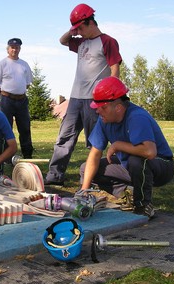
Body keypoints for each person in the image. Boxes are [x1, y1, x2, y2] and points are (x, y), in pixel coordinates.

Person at [45, 3, 122, 186]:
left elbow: (115, 67)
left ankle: (90, 177)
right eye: (76, 29)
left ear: (90, 22)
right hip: (75, 99)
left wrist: (110, 95)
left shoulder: (107, 41)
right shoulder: (81, 42)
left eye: (80, 27)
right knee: (64, 138)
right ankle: (55, 175)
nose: (78, 31)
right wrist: (73, 29)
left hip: (95, 101)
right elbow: (62, 41)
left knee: (94, 142)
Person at [79, 77, 174, 219]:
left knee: (136, 161)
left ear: (118, 107)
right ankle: (127, 193)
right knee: (86, 168)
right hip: (129, 165)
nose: (98, 111)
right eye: (97, 107)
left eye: (103, 107)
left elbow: (150, 152)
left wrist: (118, 145)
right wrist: (83, 191)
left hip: (161, 166)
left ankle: (143, 206)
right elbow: (95, 154)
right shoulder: (104, 119)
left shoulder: (137, 117)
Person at [0, 38, 34, 159]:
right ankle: (6, 157)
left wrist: (18, 92)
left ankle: (27, 154)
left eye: (17, 47)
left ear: (20, 49)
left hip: (22, 101)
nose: (14, 49)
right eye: (12, 47)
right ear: (8, 49)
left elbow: (28, 83)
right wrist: (3, 94)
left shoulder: (24, 64)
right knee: (5, 128)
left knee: (25, 128)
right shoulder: (2, 64)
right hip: (6, 101)